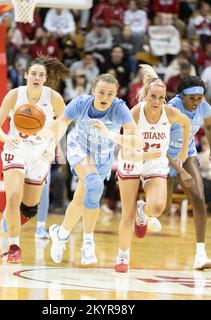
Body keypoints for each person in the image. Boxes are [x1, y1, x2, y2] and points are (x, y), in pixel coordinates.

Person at [48, 73, 145, 266]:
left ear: (116, 95)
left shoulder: (119, 108)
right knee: (93, 184)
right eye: (101, 92)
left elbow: (138, 140)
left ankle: (60, 234)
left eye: (110, 94)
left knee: (81, 199)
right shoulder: (80, 103)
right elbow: (60, 125)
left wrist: (110, 133)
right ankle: (88, 243)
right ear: (93, 91)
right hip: (79, 148)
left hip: (103, 155)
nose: (105, 97)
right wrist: (48, 146)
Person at [0, 56, 69, 263]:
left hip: (40, 153)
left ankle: (8, 227)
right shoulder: (15, 95)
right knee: (13, 197)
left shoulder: (54, 98)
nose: (37, 77)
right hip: (16, 149)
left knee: (29, 208)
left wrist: (53, 147)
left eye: (41, 74)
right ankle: (14, 245)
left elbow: (64, 124)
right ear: (26, 75)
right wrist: (7, 138)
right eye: (33, 73)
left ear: (45, 79)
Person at [114, 65, 192, 272]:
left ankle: (143, 211)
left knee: (157, 208)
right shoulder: (134, 114)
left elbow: (187, 124)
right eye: (154, 97)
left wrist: (183, 151)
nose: (157, 101)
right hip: (132, 162)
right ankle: (122, 256)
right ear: (145, 95)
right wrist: (152, 154)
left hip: (155, 165)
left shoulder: (170, 112)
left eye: (161, 98)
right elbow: (128, 150)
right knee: (126, 214)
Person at [163, 76, 211, 270]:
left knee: (199, 199)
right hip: (163, 156)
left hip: (186, 154)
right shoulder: (171, 109)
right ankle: (143, 209)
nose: (196, 102)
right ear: (181, 96)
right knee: (162, 208)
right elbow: (159, 146)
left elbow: (210, 125)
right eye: (192, 98)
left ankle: (200, 254)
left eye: (200, 98)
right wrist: (177, 170)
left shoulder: (203, 107)